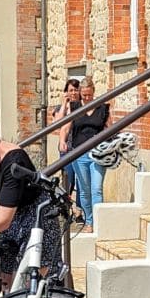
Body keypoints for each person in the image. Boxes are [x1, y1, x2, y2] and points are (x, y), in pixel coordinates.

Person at [0, 136, 62, 282]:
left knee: (23, 287)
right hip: (13, 220)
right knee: (5, 282)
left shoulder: (13, 160)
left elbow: (3, 220)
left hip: (36, 218)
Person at [65, 77, 109, 233]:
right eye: (84, 95)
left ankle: (99, 222)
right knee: (84, 190)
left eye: (89, 95)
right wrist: (62, 140)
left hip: (98, 154)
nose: (86, 98)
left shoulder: (102, 107)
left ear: (93, 92)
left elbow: (108, 127)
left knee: (96, 188)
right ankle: (89, 221)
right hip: (79, 153)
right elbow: (65, 125)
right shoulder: (74, 106)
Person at [51, 79, 79, 202]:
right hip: (66, 147)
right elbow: (57, 123)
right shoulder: (61, 108)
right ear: (66, 92)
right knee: (68, 178)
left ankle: (79, 209)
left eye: (76, 90)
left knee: (80, 180)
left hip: (79, 146)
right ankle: (64, 205)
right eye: (70, 90)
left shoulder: (82, 106)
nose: (73, 93)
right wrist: (65, 104)